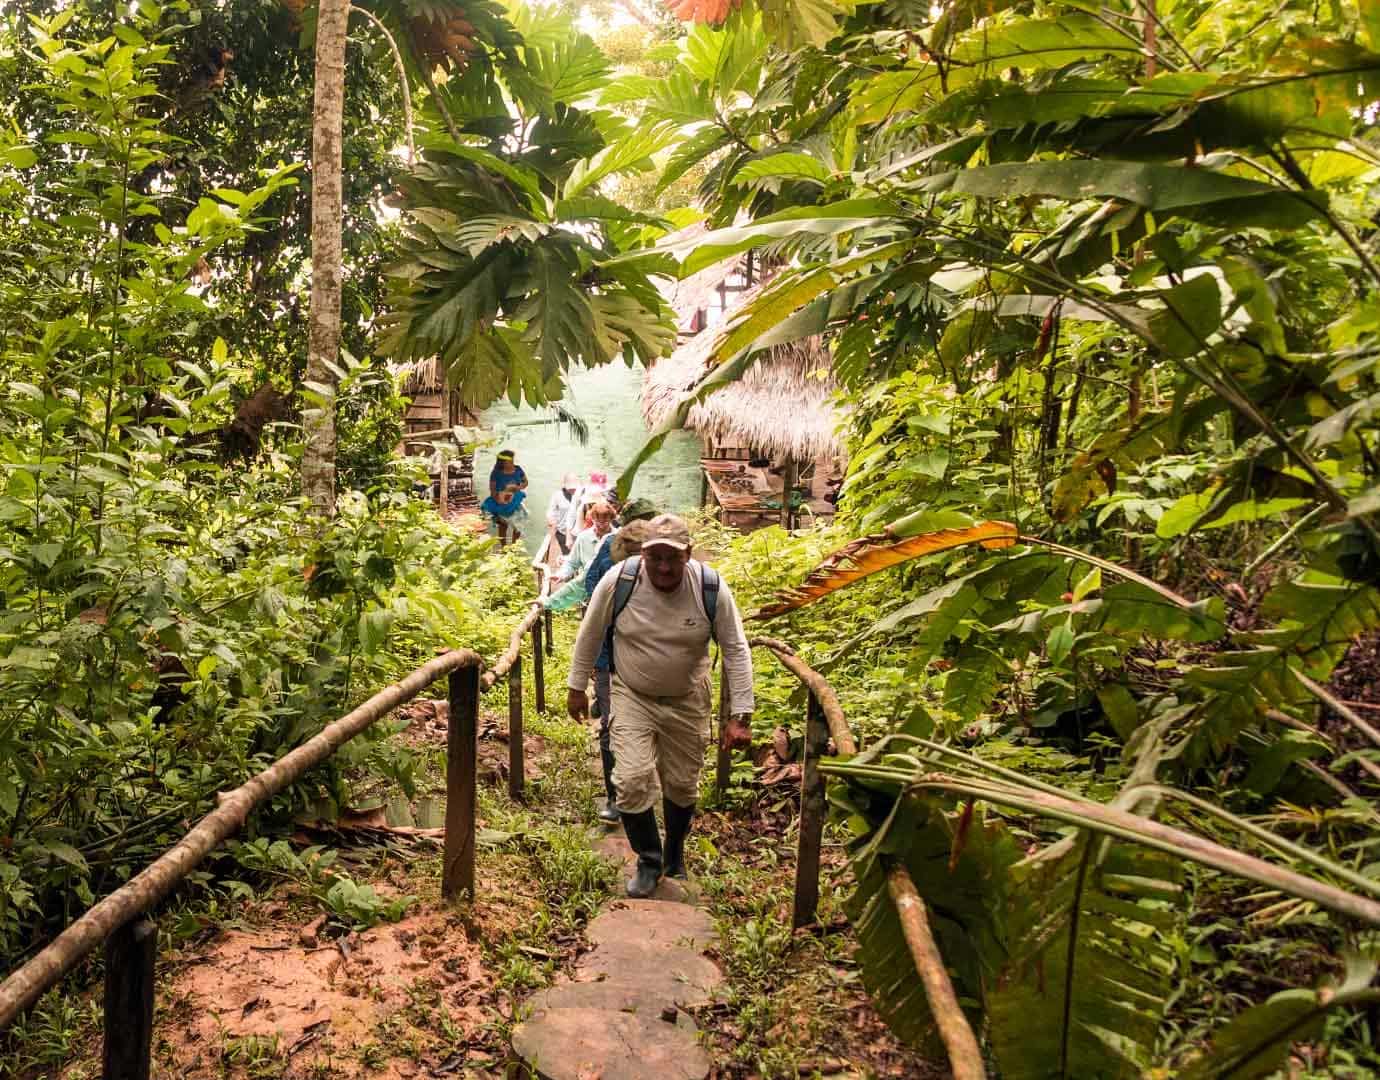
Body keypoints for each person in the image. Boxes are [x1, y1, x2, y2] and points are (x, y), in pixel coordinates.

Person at [567, 514, 755, 898]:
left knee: (682, 786)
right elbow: (590, 633)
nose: (664, 567)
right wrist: (576, 687)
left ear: (687, 554)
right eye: (656, 558)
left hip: (688, 699)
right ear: (644, 554)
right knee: (632, 779)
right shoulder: (621, 579)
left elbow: (735, 648)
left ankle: (674, 853)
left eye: (673, 558)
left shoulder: (709, 587)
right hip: (633, 694)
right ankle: (649, 860)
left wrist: (741, 715)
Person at [554, 499, 614, 584]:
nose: (601, 526)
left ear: (611, 519)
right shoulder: (583, 537)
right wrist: (561, 575)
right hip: (586, 583)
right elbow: (572, 562)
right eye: (597, 521)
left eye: (605, 522)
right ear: (592, 519)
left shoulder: (618, 537)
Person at [481, 450, 529, 545]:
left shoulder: (518, 469)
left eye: (512, 461)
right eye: (509, 462)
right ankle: (504, 547)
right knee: (503, 526)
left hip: (516, 500)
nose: (512, 464)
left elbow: (526, 482)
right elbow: (492, 490)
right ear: (502, 463)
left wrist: (518, 487)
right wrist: (499, 500)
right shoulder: (496, 473)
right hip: (501, 502)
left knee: (518, 527)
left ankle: (513, 547)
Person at [546, 473, 579, 556]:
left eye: (574, 488)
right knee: (566, 553)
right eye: (570, 488)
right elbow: (551, 511)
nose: (572, 490)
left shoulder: (580, 495)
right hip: (562, 531)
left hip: (577, 532)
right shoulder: (557, 495)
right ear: (564, 485)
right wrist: (551, 521)